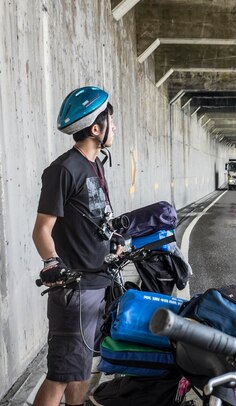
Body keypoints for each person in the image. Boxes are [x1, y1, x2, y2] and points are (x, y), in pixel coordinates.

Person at [32, 86, 122, 406]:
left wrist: (114, 241)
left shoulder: (96, 165)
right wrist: (51, 261)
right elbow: (42, 229)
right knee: (60, 373)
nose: (115, 125)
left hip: (98, 282)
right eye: (110, 119)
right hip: (75, 290)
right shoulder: (63, 170)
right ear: (96, 129)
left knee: (81, 368)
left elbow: (95, 217)